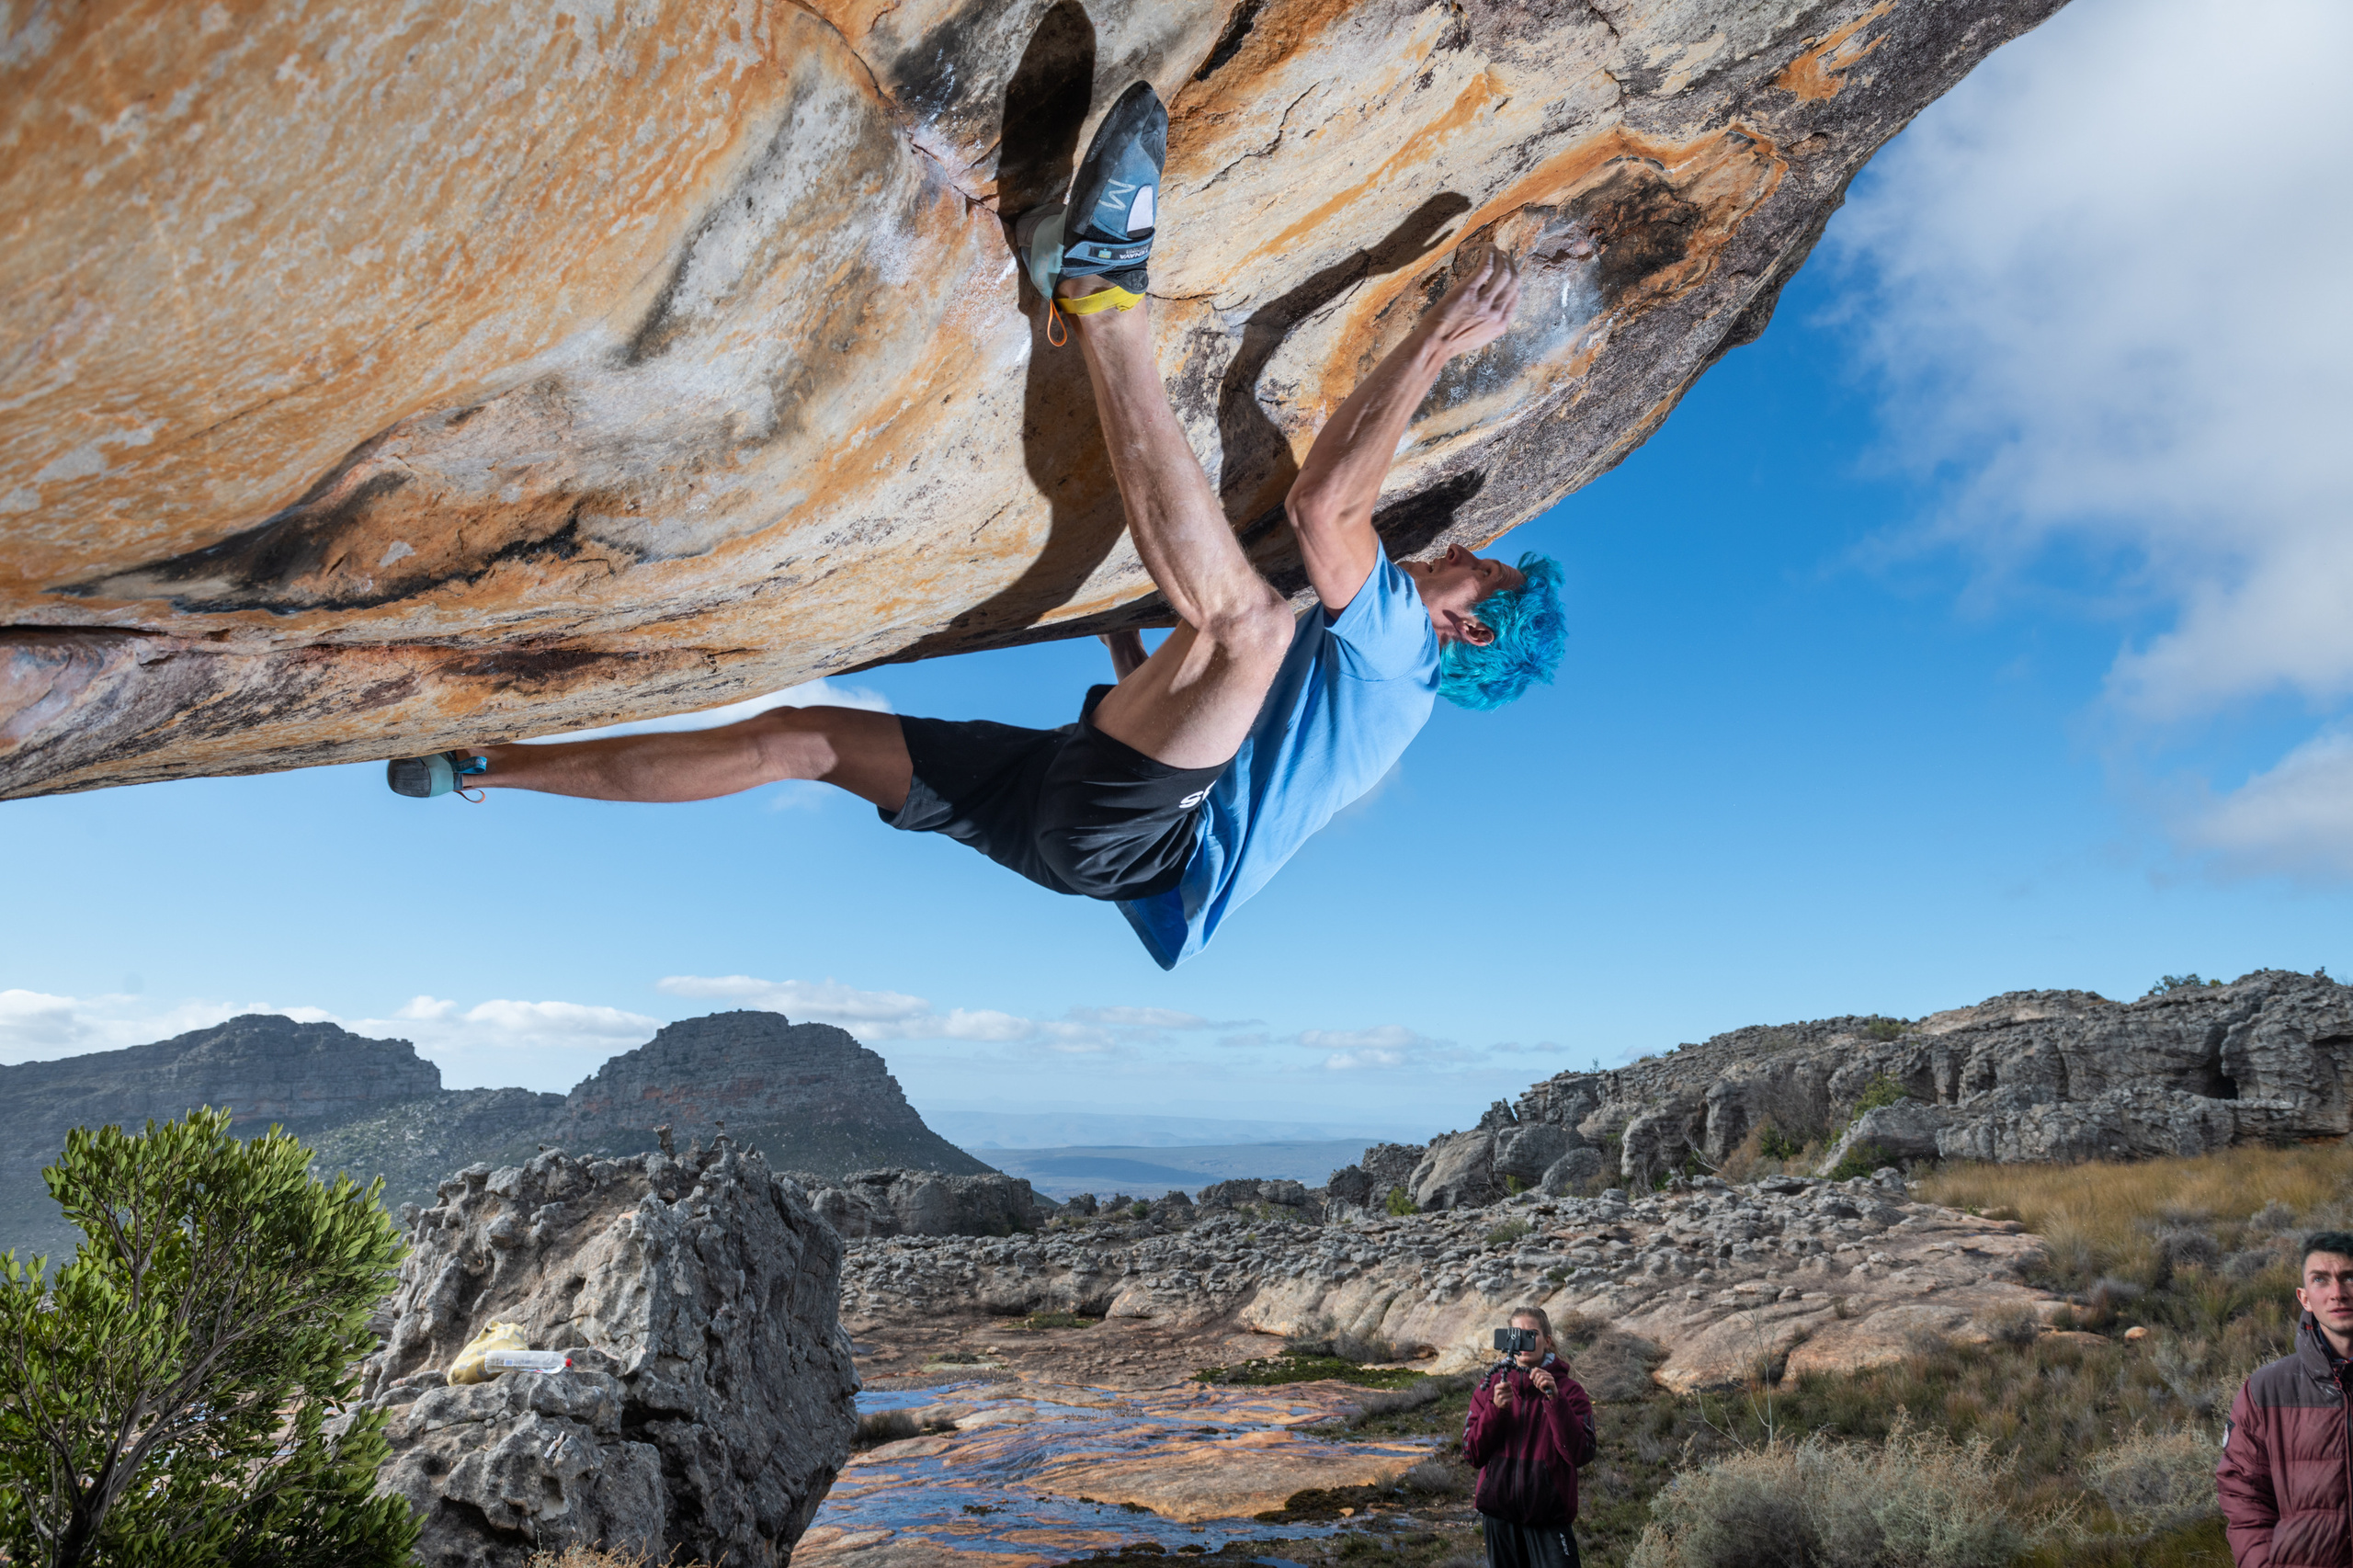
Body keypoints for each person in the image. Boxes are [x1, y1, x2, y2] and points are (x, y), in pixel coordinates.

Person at [385, 84, 1567, 969]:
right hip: (1080, 829)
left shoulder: (1408, 654)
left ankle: (1102, 299)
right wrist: (1125, 654)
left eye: (1481, 566)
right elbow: (1224, 745)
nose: (1458, 550)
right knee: (799, 738)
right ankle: (480, 768)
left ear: (1473, 629)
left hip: (1123, 836)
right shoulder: (1372, 686)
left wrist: (1434, 344)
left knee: (1252, 624)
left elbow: (1325, 506)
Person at [2218, 1231, 2353, 1566]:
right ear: (2304, 1297)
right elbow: (2244, 1495)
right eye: (2321, 1280)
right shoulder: (2267, 1390)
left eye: (2349, 1277)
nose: (2338, 1293)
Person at [1463, 1306, 1597, 1568]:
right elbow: (1472, 1454)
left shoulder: (1569, 1391)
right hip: (1499, 1518)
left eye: (1531, 1334)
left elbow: (1580, 1453)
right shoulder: (1490, 1387)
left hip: (1548, 1518)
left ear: (1547, 1341)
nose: (1522, 1341)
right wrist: (1495, 1410)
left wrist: (1555, 1400)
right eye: (1516, 1334)